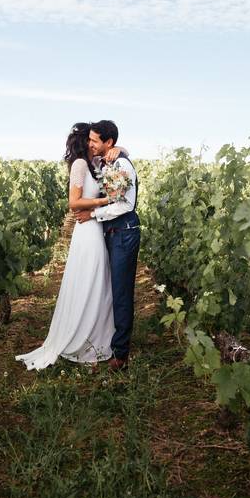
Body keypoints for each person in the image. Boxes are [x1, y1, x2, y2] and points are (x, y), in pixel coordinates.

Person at [14, 123, 123, 370]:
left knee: (97, 283)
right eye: (91, 140)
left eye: (98, 140)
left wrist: (119, 149)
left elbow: (114, 151)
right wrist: (104, 201)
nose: (95, 143)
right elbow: (74, 203)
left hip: (95, 228)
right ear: (85, 142)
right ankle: (84, 339)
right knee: (90, 281)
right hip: (88, 232)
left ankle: (97, 337)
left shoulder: (93, 164)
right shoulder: (80, 164)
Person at [75, 120, 139, 371]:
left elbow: (125, 205)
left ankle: (121, 355)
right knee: (112, 290)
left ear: (108, 142)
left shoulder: (121, 164)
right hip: (113, 232)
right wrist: (121, 148)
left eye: (94, 140)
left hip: (124, 232)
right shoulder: (106, 161)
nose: (90, 144)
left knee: (122, 293)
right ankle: (110, 341)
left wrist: (92, 215)